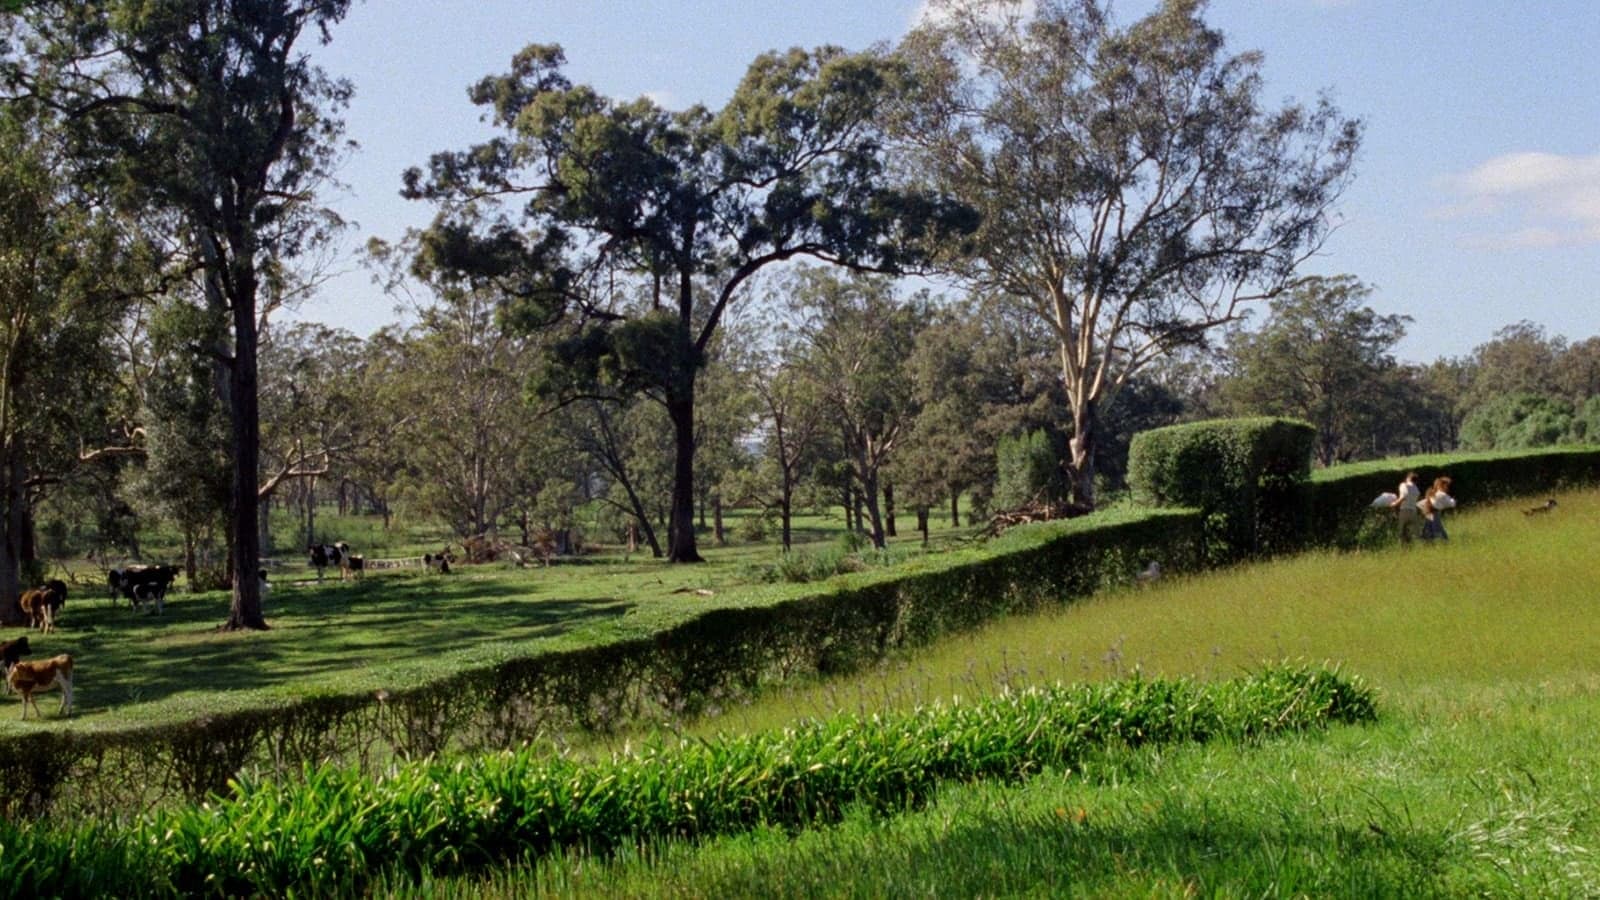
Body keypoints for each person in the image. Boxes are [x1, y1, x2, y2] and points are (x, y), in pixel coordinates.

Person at [1389, 471, 1422, 545]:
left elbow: (1403, 496)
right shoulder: (1416, 488)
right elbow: (1418, 499)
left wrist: (1394, 504)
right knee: (1416, 533)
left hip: (1404, 511)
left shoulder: (1404, 485)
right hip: (1413, 511)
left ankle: (1403, 549)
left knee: (1401, 532)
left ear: (1408, 478)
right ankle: (1421, 546)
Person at [1422, 475, 1455, 541]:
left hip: (1429, 514)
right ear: (1443, 485)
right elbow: (1451, 504)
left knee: (1428, 531)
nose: (1447, 487)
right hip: (1435, 514)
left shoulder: (1433, 492)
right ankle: (1444, 544)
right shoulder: (1441, 494)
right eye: (1447, 485)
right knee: (1438, 531)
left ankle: (1428, 545)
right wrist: (1453, 500)